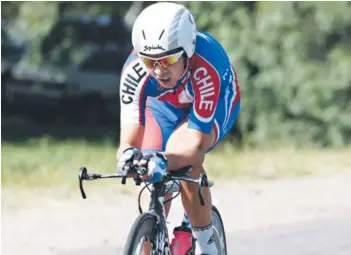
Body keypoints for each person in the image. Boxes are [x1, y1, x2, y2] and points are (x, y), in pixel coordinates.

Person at [116, 2, 240, 254]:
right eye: (150, 61)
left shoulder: (206, 67)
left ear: (188, 50)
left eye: (168, 59)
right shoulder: (134, 71)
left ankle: (207, 245)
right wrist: (129, 157)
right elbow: (129, 139)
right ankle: (151, 237)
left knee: (183, 159)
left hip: (214, 104)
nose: (159, 70)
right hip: (163, 109)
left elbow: (194, 149)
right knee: (146, 166)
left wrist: (166, 159)